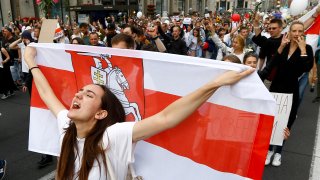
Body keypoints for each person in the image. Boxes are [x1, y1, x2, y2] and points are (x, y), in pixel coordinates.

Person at [24, 46, 253, 180]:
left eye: (89, 95)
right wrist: (29, 60)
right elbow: (46, 94)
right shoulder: (66, 126)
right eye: (80, 92)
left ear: (101, 114)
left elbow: (167, 118)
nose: (78, 95)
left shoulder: (112, 136)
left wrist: (214, 84)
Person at [259, 21, 314, 166]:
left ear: (303, 33)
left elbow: (306, 68)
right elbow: (272, 63)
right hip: (276, 87)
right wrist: (282, 46)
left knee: (286, 122)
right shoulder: (282, 46)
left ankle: (278, 153)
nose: (296, 34)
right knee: (273, 120)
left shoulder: (307, 49)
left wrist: (302, 50)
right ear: (289, 32)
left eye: (300, 31)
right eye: (294, 31)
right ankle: (269, 150)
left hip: (292, 89)